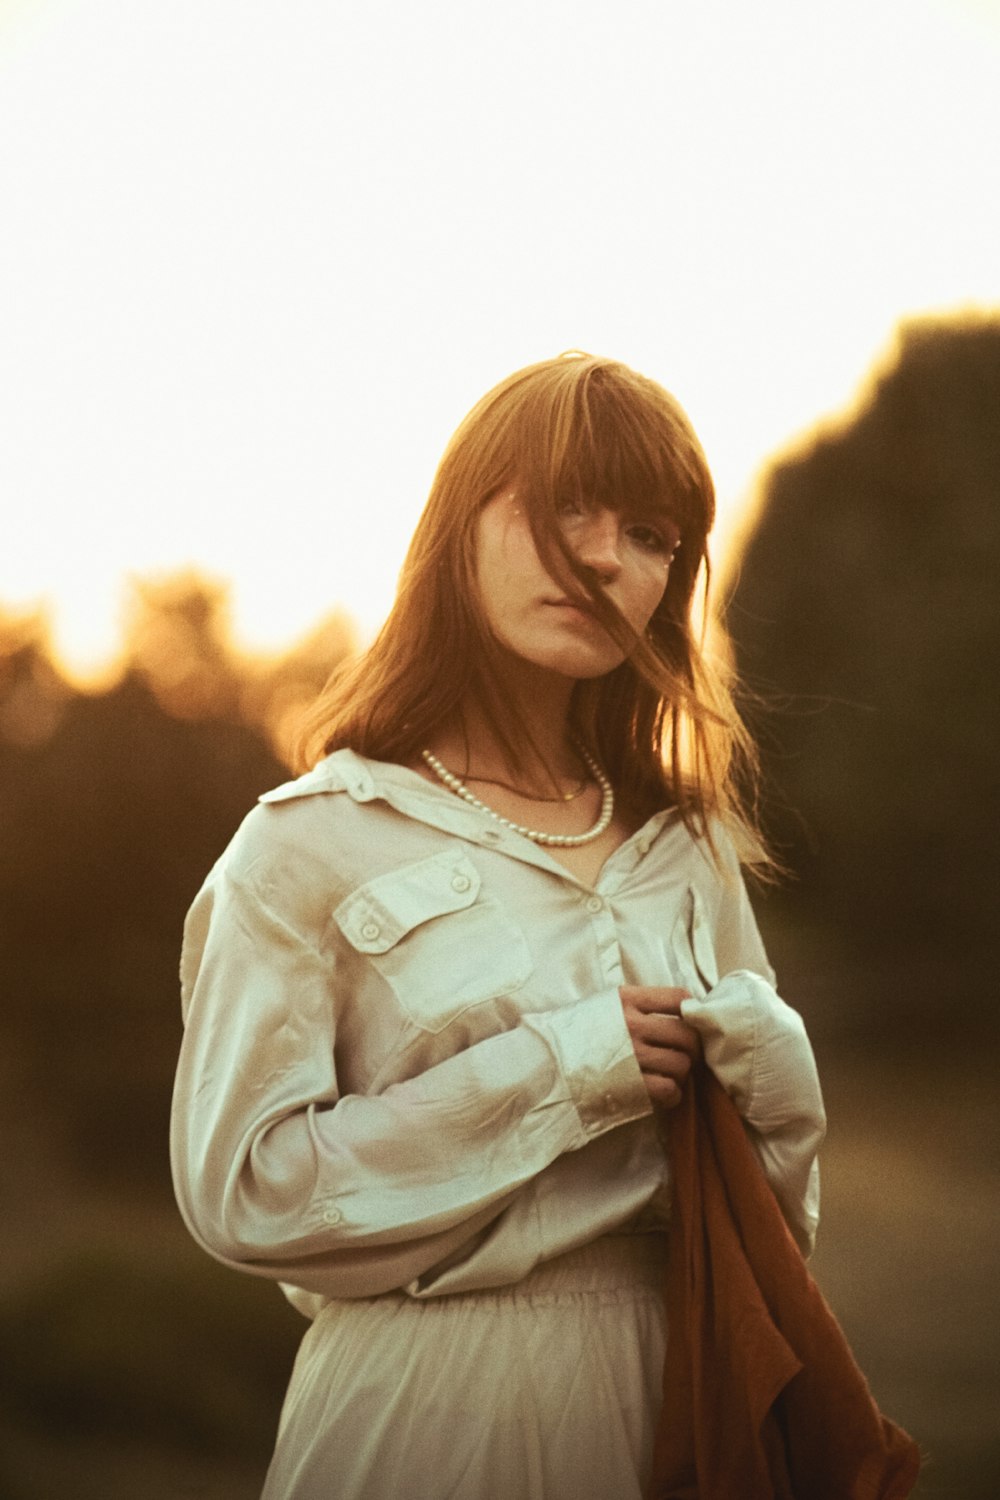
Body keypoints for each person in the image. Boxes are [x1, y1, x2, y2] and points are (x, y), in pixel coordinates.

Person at [170, 352, 826, 1500]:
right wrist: (571, 1066)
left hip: (683, 1399)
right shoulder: (309, 842)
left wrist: (782, 1098)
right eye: (563, 505)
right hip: (427, 1407)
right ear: (456, 525)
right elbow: (245, 1192)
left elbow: (768, 1227)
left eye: (653, 533)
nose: (603, 557)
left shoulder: (689, 847)